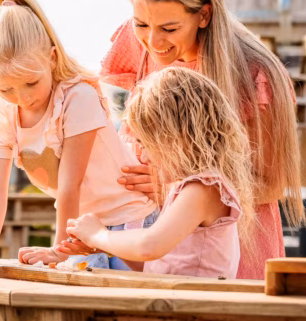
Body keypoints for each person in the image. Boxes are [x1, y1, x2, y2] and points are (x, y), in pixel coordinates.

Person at [97, 0, 305, 279]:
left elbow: (271, 184)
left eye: (169, 28)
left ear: (204, 15)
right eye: (140, 24)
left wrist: (173, 185)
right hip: (151, 254)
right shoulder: (142, 42)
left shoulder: (253, 74)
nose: (153, 41)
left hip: (229, 258)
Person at [0, 0, 156, 276]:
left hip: (129, 221)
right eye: (6, 89)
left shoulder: (76, 96)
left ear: (52, 59)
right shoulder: (4, 111)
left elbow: (71, 187)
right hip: (84, 229)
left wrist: (57, 254)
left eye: (31, 82)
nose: (23, 98)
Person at [64, 68, 256, 278]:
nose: (144, 157)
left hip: (194, 308)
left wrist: (98, 234)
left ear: (178, 137)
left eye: (146, 144)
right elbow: (155, 265)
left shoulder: (204, 188)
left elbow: (149, 246)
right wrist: (104, 246)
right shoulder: (188, 190)